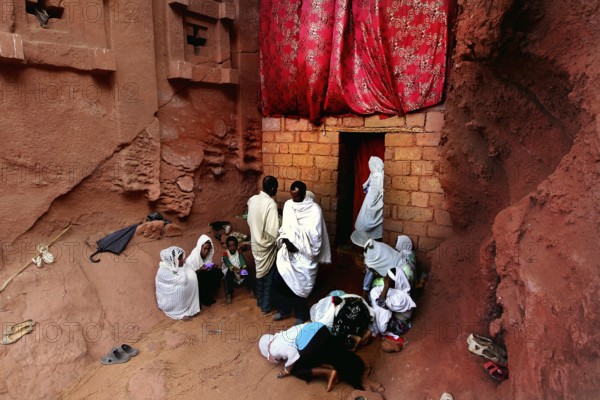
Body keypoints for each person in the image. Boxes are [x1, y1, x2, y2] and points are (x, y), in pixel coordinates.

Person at [274, 180, 331, 324]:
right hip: (289, 252)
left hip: (305, 256)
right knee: (280, 279)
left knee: (300, 285)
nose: (295, 199)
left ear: (304, 194)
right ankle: (284, 309)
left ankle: (301, 314)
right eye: (292, 196)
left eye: (298, 196)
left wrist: (298, 242)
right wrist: (287, 241)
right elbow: (286, 228)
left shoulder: (314, 210)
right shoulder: (288, 205)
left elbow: (316, 236)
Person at [258, 322, 367, 392]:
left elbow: (292, 353)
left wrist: (287, 370)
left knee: (296, 369)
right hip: (320, 328)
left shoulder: (272, 348)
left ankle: (328, 373)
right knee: (334, 353)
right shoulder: (281, 335)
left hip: (312, 342)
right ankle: (351, 367)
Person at [247, 176, 280, 315]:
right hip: (266, 247)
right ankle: (266, 307)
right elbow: (273, 232)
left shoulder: (253, 199)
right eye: (276, 189)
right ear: (273, 189)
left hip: (255, 242)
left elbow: (251, 218)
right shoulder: (271, 204)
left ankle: (260, 301)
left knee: (259, 274)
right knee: (268, 278)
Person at [310, 290, 374, 351]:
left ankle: (359, 338)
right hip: (361, 306)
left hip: (353, 315)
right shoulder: (333, 296)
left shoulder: (324, 321)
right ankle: (362, 335)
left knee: (337, 335)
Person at [155, 246, 200, 320]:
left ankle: (189, 307)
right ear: (172, 259)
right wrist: (182, 268)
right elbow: (183, 281)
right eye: (180, 259)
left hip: (176, 287)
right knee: (181, 289)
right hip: (166, 301)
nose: (182, 260)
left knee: (189, 279)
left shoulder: (173, 265)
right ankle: (179, 313)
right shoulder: (163, 271)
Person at [185, 234, 222, 306]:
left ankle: (209, 295)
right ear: (200, 247)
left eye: (208, 249)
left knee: (217, 272)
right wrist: (200, 270)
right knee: (204, 275)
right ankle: (202, 298)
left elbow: (208, 265)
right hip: (194, 280)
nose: (207, 251)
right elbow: (189, 276)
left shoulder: (207, 256)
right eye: (205, 248)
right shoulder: (192, 259)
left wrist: (213, 266)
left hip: (204, 276)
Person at [354, 156, 384, 240]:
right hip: (372, 200)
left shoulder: (378, 176)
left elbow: (378, 191)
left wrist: (372, 202)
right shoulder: (376, 174)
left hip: (375, 201)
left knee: (369, 217)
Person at [221, 235, 248, 305]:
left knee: (248, 271)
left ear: (236, 245)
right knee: (229, 273)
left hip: (238, 269)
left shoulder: (238, 251)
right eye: (230, 246)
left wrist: (244, 268)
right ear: (227, 246)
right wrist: (236, 269)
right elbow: (228, 263)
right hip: (229, 270)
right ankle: (229, 294)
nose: (232, 247)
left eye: (234, 245)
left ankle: (251, 290)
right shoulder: (225, 253)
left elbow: (242, 261)